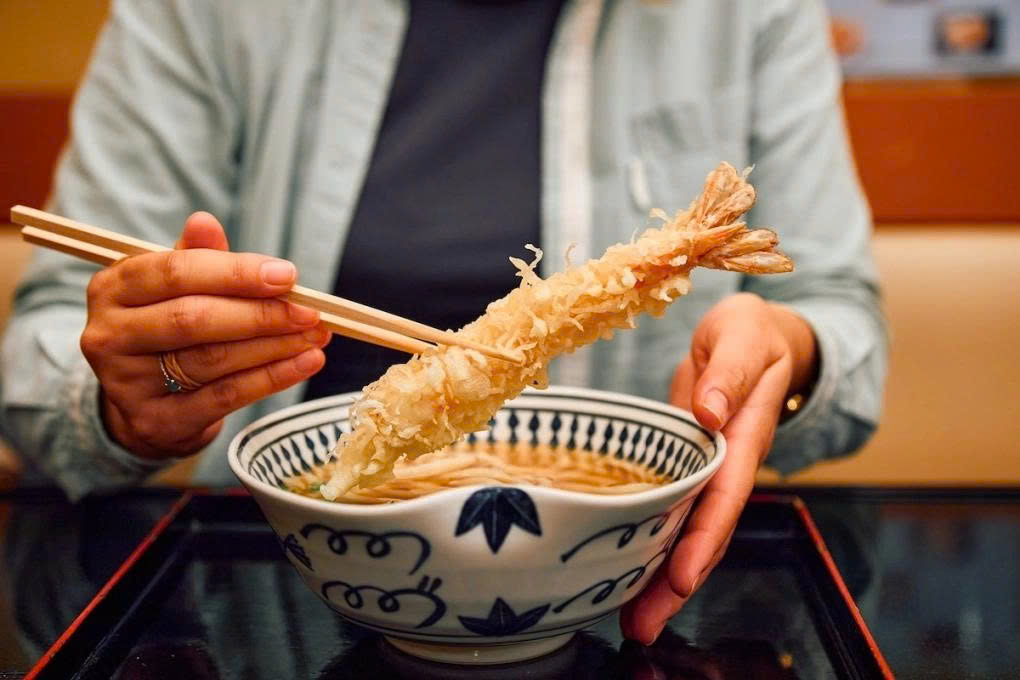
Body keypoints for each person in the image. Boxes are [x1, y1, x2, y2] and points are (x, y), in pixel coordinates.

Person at [0, 0, 886, 646]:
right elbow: (41, 355)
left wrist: (792, 353)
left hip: (623, 578)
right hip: (272, 584)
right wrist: (127, 400)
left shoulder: (754, 11)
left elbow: (840, 319)